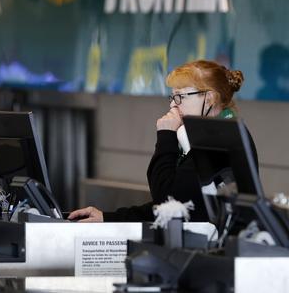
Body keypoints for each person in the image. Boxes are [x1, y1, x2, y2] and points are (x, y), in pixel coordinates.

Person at [69, 60, 257, 223]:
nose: (173, 104)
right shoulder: (216, 134)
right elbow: (177, 202)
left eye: (180, 96)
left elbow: (167, 201)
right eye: (173, 96)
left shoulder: (219, 140)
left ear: (209, 98)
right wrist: (108, 218)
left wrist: (166, 135)